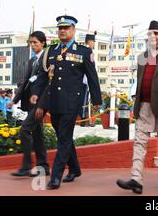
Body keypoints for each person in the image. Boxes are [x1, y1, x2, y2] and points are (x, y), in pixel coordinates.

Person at [31, 15, 102, 190]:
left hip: (72, 102)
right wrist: (35, 94)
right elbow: (42, 75)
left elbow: (92, 77)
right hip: (54, 102)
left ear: (73, 30)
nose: (63, 31)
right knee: (64, 137)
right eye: (60, 28)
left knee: (63, 139)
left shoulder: (84, 52)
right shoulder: (51, 51)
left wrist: (97, 99)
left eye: (66, 28)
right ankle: (76, 169)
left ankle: (56, 177)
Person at [116, 20, 158, 195]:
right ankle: (136, 180)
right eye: (150, 33)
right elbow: (139, 83)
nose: (152, 36)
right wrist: (135, 103)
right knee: (139, 142)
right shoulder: (142, 57)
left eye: (156, 33)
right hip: (144, 106)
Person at [11, 31, 50, 177]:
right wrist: (14, 100)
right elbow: (26, 82)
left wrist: (42, 103)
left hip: (41, 102)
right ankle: (44, 166)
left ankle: (27, 165)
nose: (32, 45)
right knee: (38, 134)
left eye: (35, 42)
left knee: (25, 130)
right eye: (31, 43)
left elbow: (48, 83)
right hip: (31, 103)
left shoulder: (47, 59)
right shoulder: (32, 60)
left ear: (42, 43)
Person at [81, 32, 96, 127]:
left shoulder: (84, 50)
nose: (94, 43)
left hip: (84, 80)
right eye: (93, 41)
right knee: (84, 101)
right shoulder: (88, 51)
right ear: (89, 41)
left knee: (86, 101)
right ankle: (83, 120)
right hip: (85, 80)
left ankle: (84, 119)